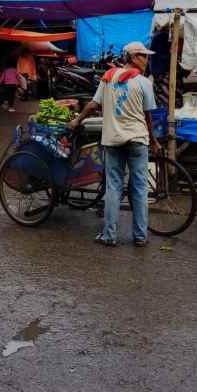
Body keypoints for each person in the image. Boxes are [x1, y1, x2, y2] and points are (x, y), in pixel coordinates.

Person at [68, 41, 160, 247]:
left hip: (113, 140)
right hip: (137, 140)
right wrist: (153, 139)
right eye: (144, 56)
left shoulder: (108, 78)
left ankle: (109, 235)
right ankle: (140, 236)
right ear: (134, 57)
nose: (147, 60)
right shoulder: (144, 83)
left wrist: (77, 120)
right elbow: (147, 117)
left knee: (113, 188)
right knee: (138, 189)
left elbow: (93, 104)